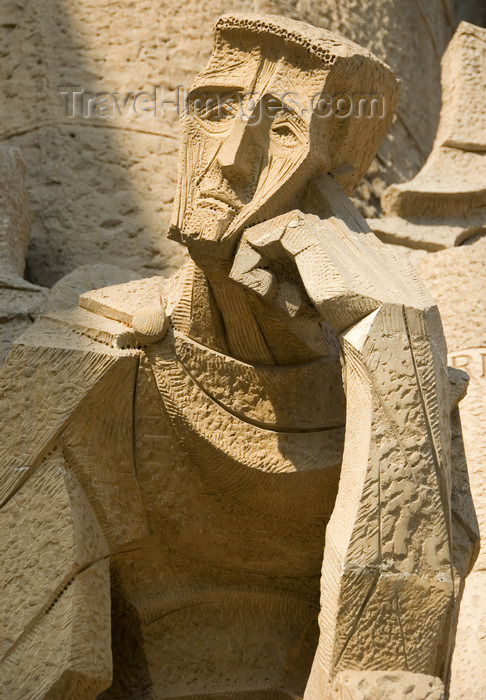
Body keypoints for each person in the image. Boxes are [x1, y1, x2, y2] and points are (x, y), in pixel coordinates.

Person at [0, 14, 478, 699]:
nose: (227, 158)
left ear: (333, 184)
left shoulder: (396, 383)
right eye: (214, 110)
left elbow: (388, 670)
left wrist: (394, 333)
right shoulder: (92, 354)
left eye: (281, 129)